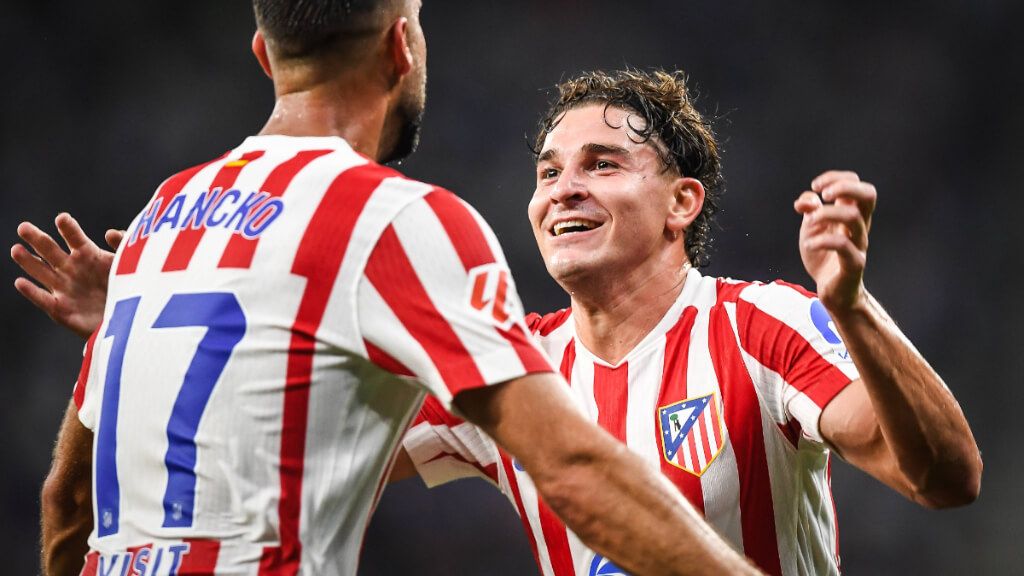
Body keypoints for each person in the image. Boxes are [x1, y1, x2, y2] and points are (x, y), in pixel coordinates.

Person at [13, 67, 981, 576]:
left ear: (682, 202)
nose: (563, 187)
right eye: (547, 170)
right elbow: (286, 438)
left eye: (602, 163)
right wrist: (141, 321)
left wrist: (851, 309)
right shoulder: (515, 368)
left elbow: (941, 481)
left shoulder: (761, 325)